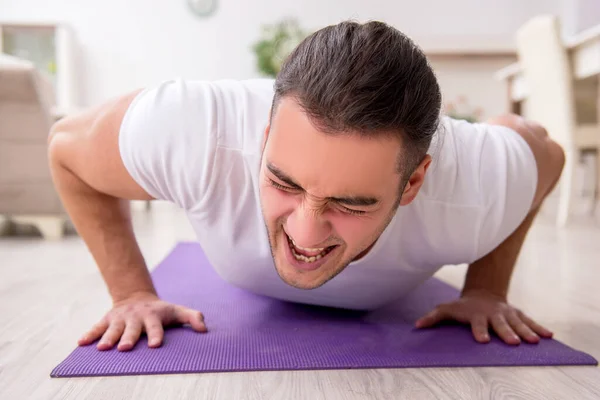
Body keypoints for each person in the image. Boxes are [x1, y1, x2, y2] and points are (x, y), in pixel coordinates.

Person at [48, 20, 564, 353]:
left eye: (350, 203)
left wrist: (486, 289)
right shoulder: (196, 134)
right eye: (283, 182)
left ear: (414, 183)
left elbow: (547, 152)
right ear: (265, 139)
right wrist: (131, 292)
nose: (306, 232)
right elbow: (65, 148)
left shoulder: (478, 185)